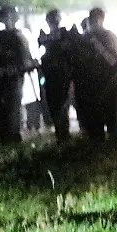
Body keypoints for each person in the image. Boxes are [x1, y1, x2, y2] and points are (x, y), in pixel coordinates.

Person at [0, 6, 34, 145]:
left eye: (9, 17)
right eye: (4, 17)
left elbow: (26, 61)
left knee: (12, 111)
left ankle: (13, 139)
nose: (6, 20)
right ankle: (5, 138)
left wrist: (15, 69)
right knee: (1, 112)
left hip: (13, 80)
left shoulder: (19, 36)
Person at [75, 8, 117, 143]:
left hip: (105, 83)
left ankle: (112, 145)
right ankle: (104, 145)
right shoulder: (87, 38)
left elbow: (113, 60)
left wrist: (97, 45)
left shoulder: (107, 36)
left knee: (110, 118)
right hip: (94, 84)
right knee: (99, 119)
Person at [38, 9, 74, 139]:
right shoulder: (46, 36)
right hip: (51, 75)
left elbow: (69, 52)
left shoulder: (66, 34)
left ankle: (63, 134)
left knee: (62, 106)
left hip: (63, 75)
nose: (53, 22)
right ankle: (61, 134)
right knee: (54, 106)